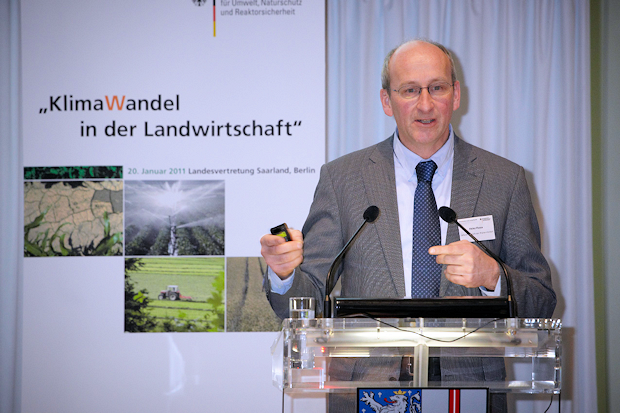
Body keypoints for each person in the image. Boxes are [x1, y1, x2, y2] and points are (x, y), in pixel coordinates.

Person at [260, 39, 556, 412]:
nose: (425, 104)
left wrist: (494, 276)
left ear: (456, 94)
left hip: (470, 390)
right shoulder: (343, 179)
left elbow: (542, 300)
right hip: (368, 393)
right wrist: (285, 275)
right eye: (410, 90)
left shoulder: (504, 180)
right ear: (387, 101)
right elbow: (310, 299)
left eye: (437, 88)